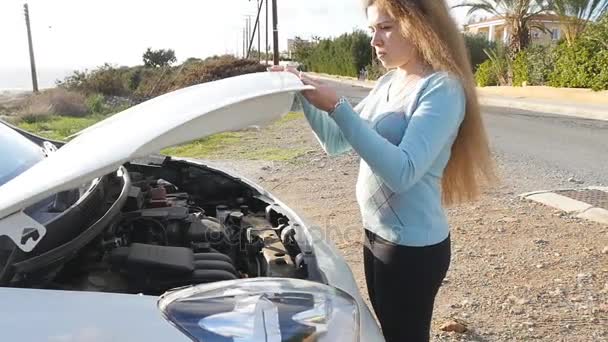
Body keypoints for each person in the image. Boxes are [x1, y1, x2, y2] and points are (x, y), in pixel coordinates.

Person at [271, 0, 496, 340]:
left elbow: (403, 172)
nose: (375, 41)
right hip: (375, 234)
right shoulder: (387, 83)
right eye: (372, 30)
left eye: (386, 28)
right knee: (388, 332)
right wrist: (303, 90)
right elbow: (335, 139)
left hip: (412, 249)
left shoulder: (442, 88)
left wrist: (336, 105)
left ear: (422, 26)